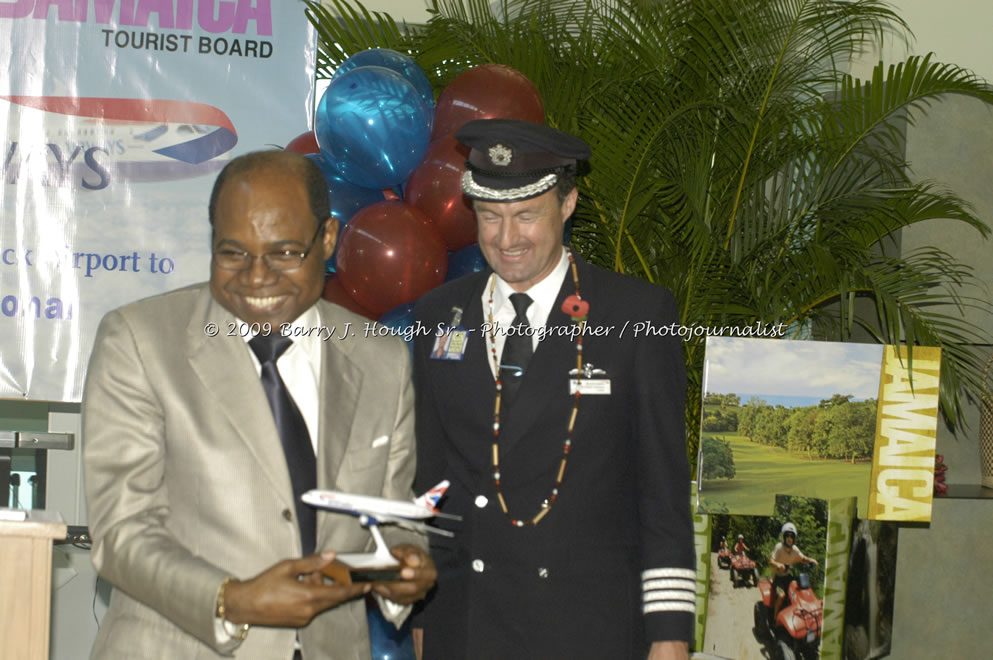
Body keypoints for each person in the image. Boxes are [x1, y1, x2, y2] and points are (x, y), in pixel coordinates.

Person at [82, 150, 436, 660]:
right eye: (232, 254)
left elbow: (394, 513)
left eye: (284, 253)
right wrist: (233, 600)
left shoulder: (381, 357)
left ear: (328, 239)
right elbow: (121, 531)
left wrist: (406, 563)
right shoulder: (139, 341)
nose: (256, 277)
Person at [412, 119, 696, 660]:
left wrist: (669, 632)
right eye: (490, 217)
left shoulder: (636, 315)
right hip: (468, 623)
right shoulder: (439, 315)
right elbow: (431, 482)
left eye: (525, 216)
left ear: (567, 205)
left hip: (585, 626)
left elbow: (662, 493)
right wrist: (425, 614)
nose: (506, 238)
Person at [769, 522, 818, 620]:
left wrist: (811, 560)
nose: (789, 539)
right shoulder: (779, 547)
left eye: (792, 536)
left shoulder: (794, 549)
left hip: (787, 576)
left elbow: (803, 558)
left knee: (799, 590)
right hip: (777, 577)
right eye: (787, 536)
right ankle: (775, 619)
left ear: (794, 538)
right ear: (784, 537)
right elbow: (770, 561)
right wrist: (778, 565)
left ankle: (799, 614)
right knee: (782, 595)